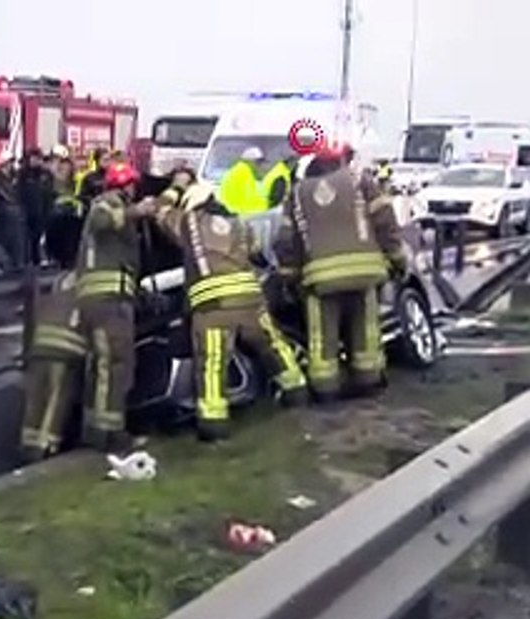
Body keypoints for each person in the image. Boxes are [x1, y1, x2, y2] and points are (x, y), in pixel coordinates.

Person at [155, 177, 307, 441]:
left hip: (214, 306)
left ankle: (214, 425)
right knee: (273, 344)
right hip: (250, 299)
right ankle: (297, 392)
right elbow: (256, 251)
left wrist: (174, 188)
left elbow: (160, 211)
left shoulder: (189, 221)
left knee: (213, 363)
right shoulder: (238, 224)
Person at [275, 142, 409, 402]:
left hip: (319, 279)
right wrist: (397, 260)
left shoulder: (297, 193)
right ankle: (368, 383)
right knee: (365, 333)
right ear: (339, 162)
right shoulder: (360, 181)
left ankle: (326, 391)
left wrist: (289, 278)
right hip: (365, 273)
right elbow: (385, 222)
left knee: (322, 340)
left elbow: (286, 241)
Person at [75, 161, 156, 452]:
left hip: (104, 298)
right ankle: (111, 434)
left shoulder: (116, 205)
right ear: (126, 185)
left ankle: (95, 429)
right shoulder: (107, 202)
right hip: (108, 300)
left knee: (101, 364)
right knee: (116, 363)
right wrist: (139, 211)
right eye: (133, 185)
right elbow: (101, 220)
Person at [19, 270, 88, 462]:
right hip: (65, 349)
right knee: (58, 396)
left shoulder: (60, 280)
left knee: (36, 395)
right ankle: (46, 445)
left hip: (41, 344)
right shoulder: (91, 287)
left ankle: (28, 442)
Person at [45, 145, 84, 268]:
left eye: (63, 162)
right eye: (55, 161)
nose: (60, 166)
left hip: (72, 222)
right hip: (54, 223)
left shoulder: (77, 181)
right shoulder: (46, 181)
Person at [16, 149, 54, 265]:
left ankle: (43, 258)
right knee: (29, 239)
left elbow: (50, 193)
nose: (35, 161)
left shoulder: (46, 175)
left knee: (41, 237)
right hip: (28, 212)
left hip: (43, 211)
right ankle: (29, 261)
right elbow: (19, 193)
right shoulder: (23, 174)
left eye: (38, 158)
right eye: (33, 158)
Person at [218, 146, 270, 216]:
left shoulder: (236, 170)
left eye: (260, 163)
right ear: (249, 161)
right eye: (258, 162)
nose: (260, 166)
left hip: (232, 212)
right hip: (239, 213)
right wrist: (267, 204)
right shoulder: (245, 173)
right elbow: (250, 199)